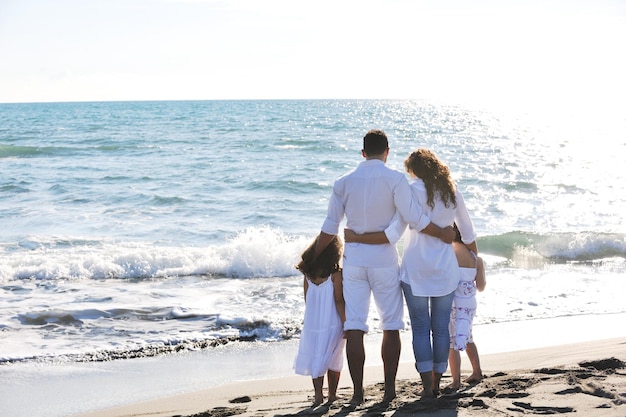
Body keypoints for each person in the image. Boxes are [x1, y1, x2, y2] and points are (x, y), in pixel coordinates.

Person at [314, 130, 454, 405]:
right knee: (391, 325)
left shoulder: (343, 182)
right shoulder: (396, 179)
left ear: (363, 152)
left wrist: (313, 259)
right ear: (387, 151)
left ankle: (357, 394)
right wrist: (443, 234)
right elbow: (413, 218)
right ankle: (389, 391)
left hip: (354, 262)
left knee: (355, 325)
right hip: (384, 262)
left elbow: (330, 227)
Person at [345, 148, 477, 400]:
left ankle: (426, 384)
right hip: (445, 271)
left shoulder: (410, 190)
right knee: (440, 329)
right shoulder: (452, 192)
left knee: (419, 327)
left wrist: (359, 238)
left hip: (415, 270)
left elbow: (395, 230)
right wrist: (475, 263)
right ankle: (437, 382)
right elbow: (468, 233)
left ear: (414, 170)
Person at [293, 235, 346, 406]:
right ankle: (332, 394)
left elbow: (307, 298)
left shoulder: (307, 273)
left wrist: (314, 316)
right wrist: (346, 322)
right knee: (334, 357)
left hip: (313, 322)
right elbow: (339, 300)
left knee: (317, 356)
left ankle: (318, 396)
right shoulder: (335, 275)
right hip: (333, 321)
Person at [445, 223, 486, 393]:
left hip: (455, 303)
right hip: (469, 304)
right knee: (468, 336)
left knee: (452, 340)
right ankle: (477, 371)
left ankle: (456, 380)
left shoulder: (448, 253)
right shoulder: (476, 258)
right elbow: (481, 286)